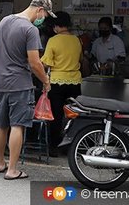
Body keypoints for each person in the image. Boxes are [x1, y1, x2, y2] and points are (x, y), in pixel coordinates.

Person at [0, 0, 54, 180]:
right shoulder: (30, 29)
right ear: (40, 10)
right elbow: (35, 63)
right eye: (45, 14)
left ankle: (0, 163)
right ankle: (12, 170)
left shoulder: (5, 21)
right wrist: (45, 80)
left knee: (1, 124)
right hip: (19, 83)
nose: (43, 18)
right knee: (17, 125)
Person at [41, 11, 82, 157]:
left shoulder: (54, 40)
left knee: (56, 116)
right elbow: (80, 59)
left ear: (56, 25)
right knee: (74, 115)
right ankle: (71, 146)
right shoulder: (76, 40)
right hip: (75, 82)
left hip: (57, 83)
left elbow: (45, 63)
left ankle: (54, 147)